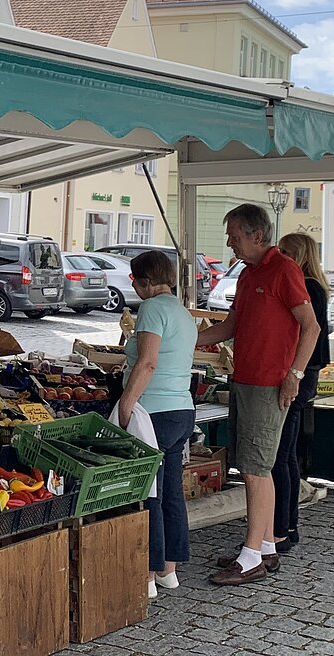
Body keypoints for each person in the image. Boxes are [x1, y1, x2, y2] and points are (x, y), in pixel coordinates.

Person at [197, 204, 321, 587]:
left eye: (234, 234)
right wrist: (184, 340)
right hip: (245, 380)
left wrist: (294, 375)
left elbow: (311, 327)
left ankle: (250, 557)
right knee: (251, 464)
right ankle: (264, 547)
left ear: (257, 235)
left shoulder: (284, 269)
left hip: (269, 383)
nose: (229, 242)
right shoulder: (249, 274)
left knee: (256, 468)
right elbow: (231, 326)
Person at [116, 251, 198, 600]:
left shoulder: (151, 309)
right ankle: (169, 569)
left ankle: (147, 575)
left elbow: (147, 363)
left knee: (147, 493)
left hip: (154, 413)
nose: (133, 286)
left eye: (134, 280)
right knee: (170, 492)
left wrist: (126, 403)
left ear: (144, 280)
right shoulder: (182, 311)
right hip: (181, 409)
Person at [269, 232, 331, 554]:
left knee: (280, 454)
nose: (279, 256)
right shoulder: (316, 287)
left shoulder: (306, 286)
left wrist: (292, 373)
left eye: (285, 251)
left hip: (299, 374)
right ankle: (288, 526)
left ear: (299, 255)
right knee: (287, 453)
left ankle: (281, 528)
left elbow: (306, 333)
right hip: (306, 374)